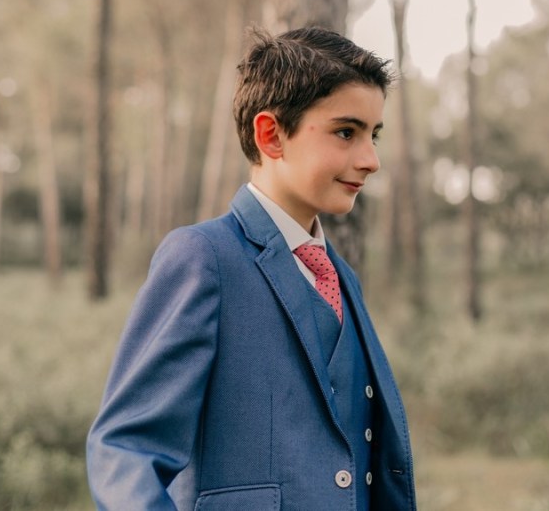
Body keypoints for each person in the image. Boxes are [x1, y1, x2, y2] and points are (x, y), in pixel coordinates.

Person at [86, 26, 416, 510]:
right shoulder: (204, 258)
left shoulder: (342, 276)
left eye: (374, 135)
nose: (371, 160)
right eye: (346, 132)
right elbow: (124, 452)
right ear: (271, 135)